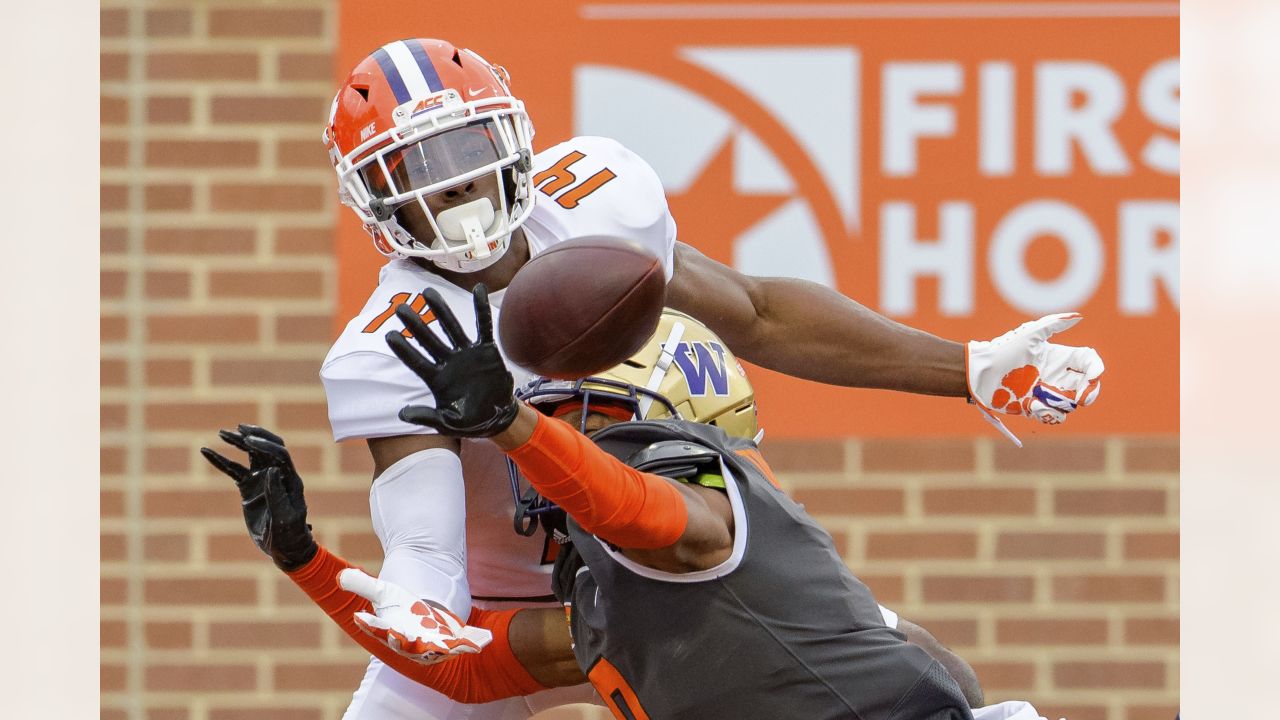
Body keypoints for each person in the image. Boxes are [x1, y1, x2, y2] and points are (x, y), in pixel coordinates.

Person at [314, 37, 1104, 718]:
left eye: (467, 147)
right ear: (372, 196)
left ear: (511, 139)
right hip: (514, 606)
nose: (452, 181)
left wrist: (965, 368)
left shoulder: (596, 204)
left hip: (666, 579)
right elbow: (425, 543)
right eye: (414, 164)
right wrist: (419, 608)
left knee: (921, 679)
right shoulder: (390, 344)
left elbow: (757, 313)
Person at [201, 300, 1068, 719]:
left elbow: (652, 520)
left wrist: (511, 424)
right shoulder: (603, 599)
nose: (566, 439)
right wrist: (305, 558)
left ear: (686, 423)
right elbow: (462, 667)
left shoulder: (720, 515)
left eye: (596, 418)